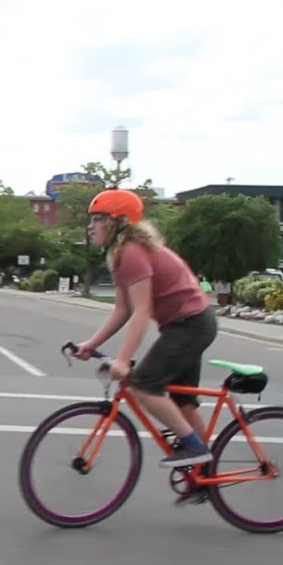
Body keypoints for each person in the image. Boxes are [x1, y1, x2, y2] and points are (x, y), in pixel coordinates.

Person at [72, 188, 218, 468]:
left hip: (190, 324)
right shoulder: (121, 254)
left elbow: (142, 309)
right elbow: (122, 309)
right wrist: (91, 344)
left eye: (97, 218)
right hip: (188, 324)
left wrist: (124, 361)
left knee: (144, 386)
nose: (91, 226)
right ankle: (205, 476)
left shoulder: (132, 253)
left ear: (117, 221)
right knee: (182, 402)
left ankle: (195, 448)